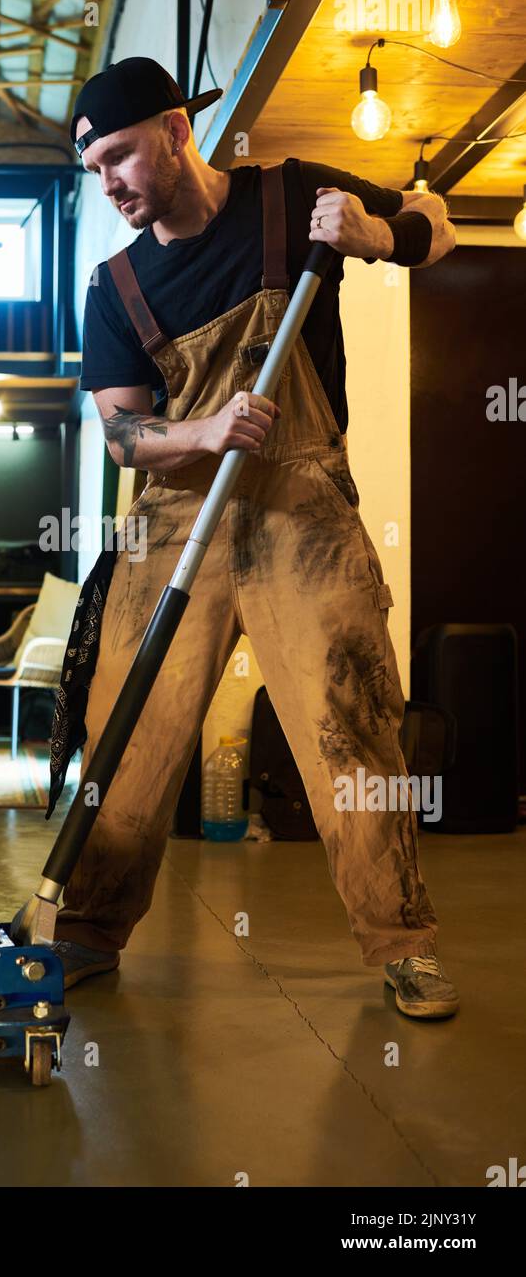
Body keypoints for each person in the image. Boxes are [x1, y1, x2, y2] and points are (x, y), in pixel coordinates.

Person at [46, 57, 460, 1020]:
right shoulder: (114, 287)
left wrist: (373, 231)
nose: (109, 185)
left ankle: (404, 944)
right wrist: (200, 431)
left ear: (177, 129)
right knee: (131, 732)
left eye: (119, 156)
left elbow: (436, 227)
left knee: (348, 721)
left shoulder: (291, 200)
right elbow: (120, 432)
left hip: (301, 510)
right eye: (93, 171)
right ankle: (86, 935)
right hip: (172, 520)